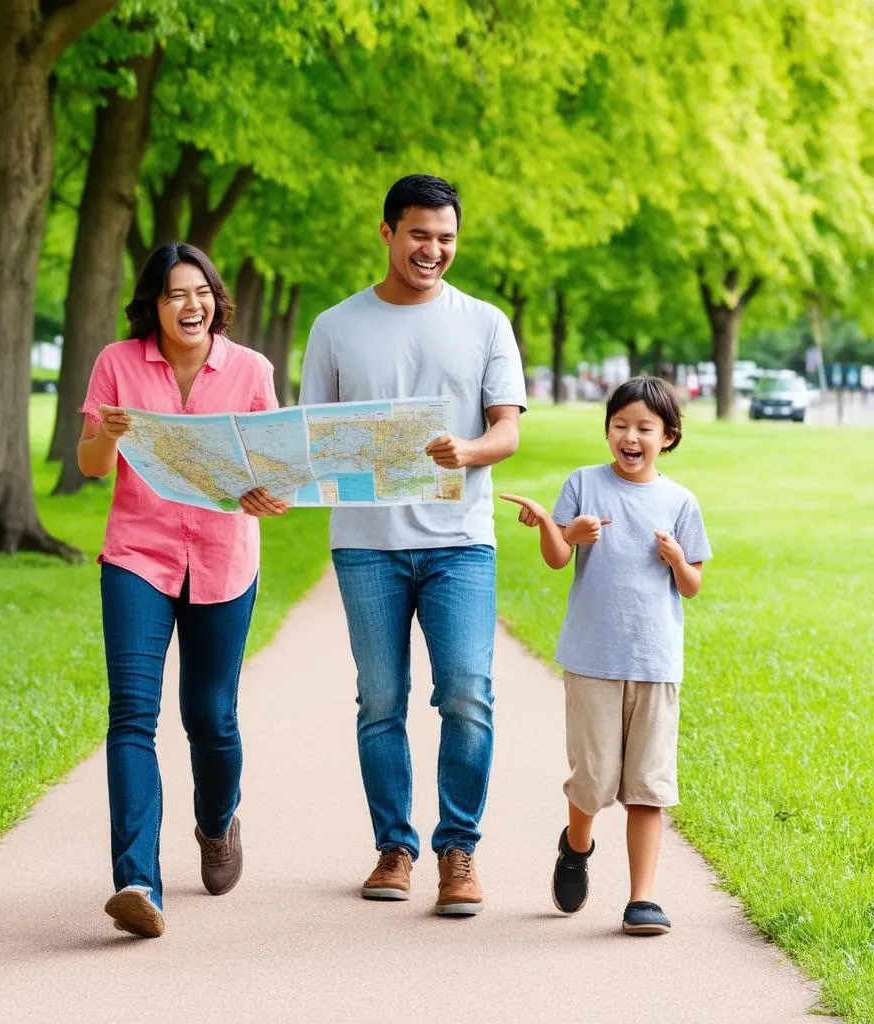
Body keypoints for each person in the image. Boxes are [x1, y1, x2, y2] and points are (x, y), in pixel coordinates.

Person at [299, 174, 526, 915]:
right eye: (421, 234)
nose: (434, 249)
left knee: (466, 694)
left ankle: (457, 850)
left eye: (447, 237)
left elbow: (507, 429)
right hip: (367, 547)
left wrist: (468, 450)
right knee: (381, 700)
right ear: (388, 233)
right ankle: (393, 848)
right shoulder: (336, 326)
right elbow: (312, 438)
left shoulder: (486, 322)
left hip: (460, 542)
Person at [78, 242, 287, 938]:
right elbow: (90, 465)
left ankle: (215, 820)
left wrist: (266, 494)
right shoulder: (117, 363)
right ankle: (138, 881)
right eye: (174, 294)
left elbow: (275, 470)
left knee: (210, 716)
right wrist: (106, 435)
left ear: (215, 298)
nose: (189, 305)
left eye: (199, 291)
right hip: (138, 556)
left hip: (225, 559)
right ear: (154, 305)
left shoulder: (251, 369)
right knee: (132, 715)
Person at [501, 375, 712, 935]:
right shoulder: (582, 484)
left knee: (647, 783)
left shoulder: (680, 501)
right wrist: (561, 528)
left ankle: (642, 898)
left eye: (645, 427)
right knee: (593, 778)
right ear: (607, 431)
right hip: (592, 658)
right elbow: (554, 557)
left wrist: (674, 559)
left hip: (655, 661)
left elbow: (692, 585)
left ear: (668, 436)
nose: (630, 436)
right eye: (620, 425)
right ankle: (576, 847)